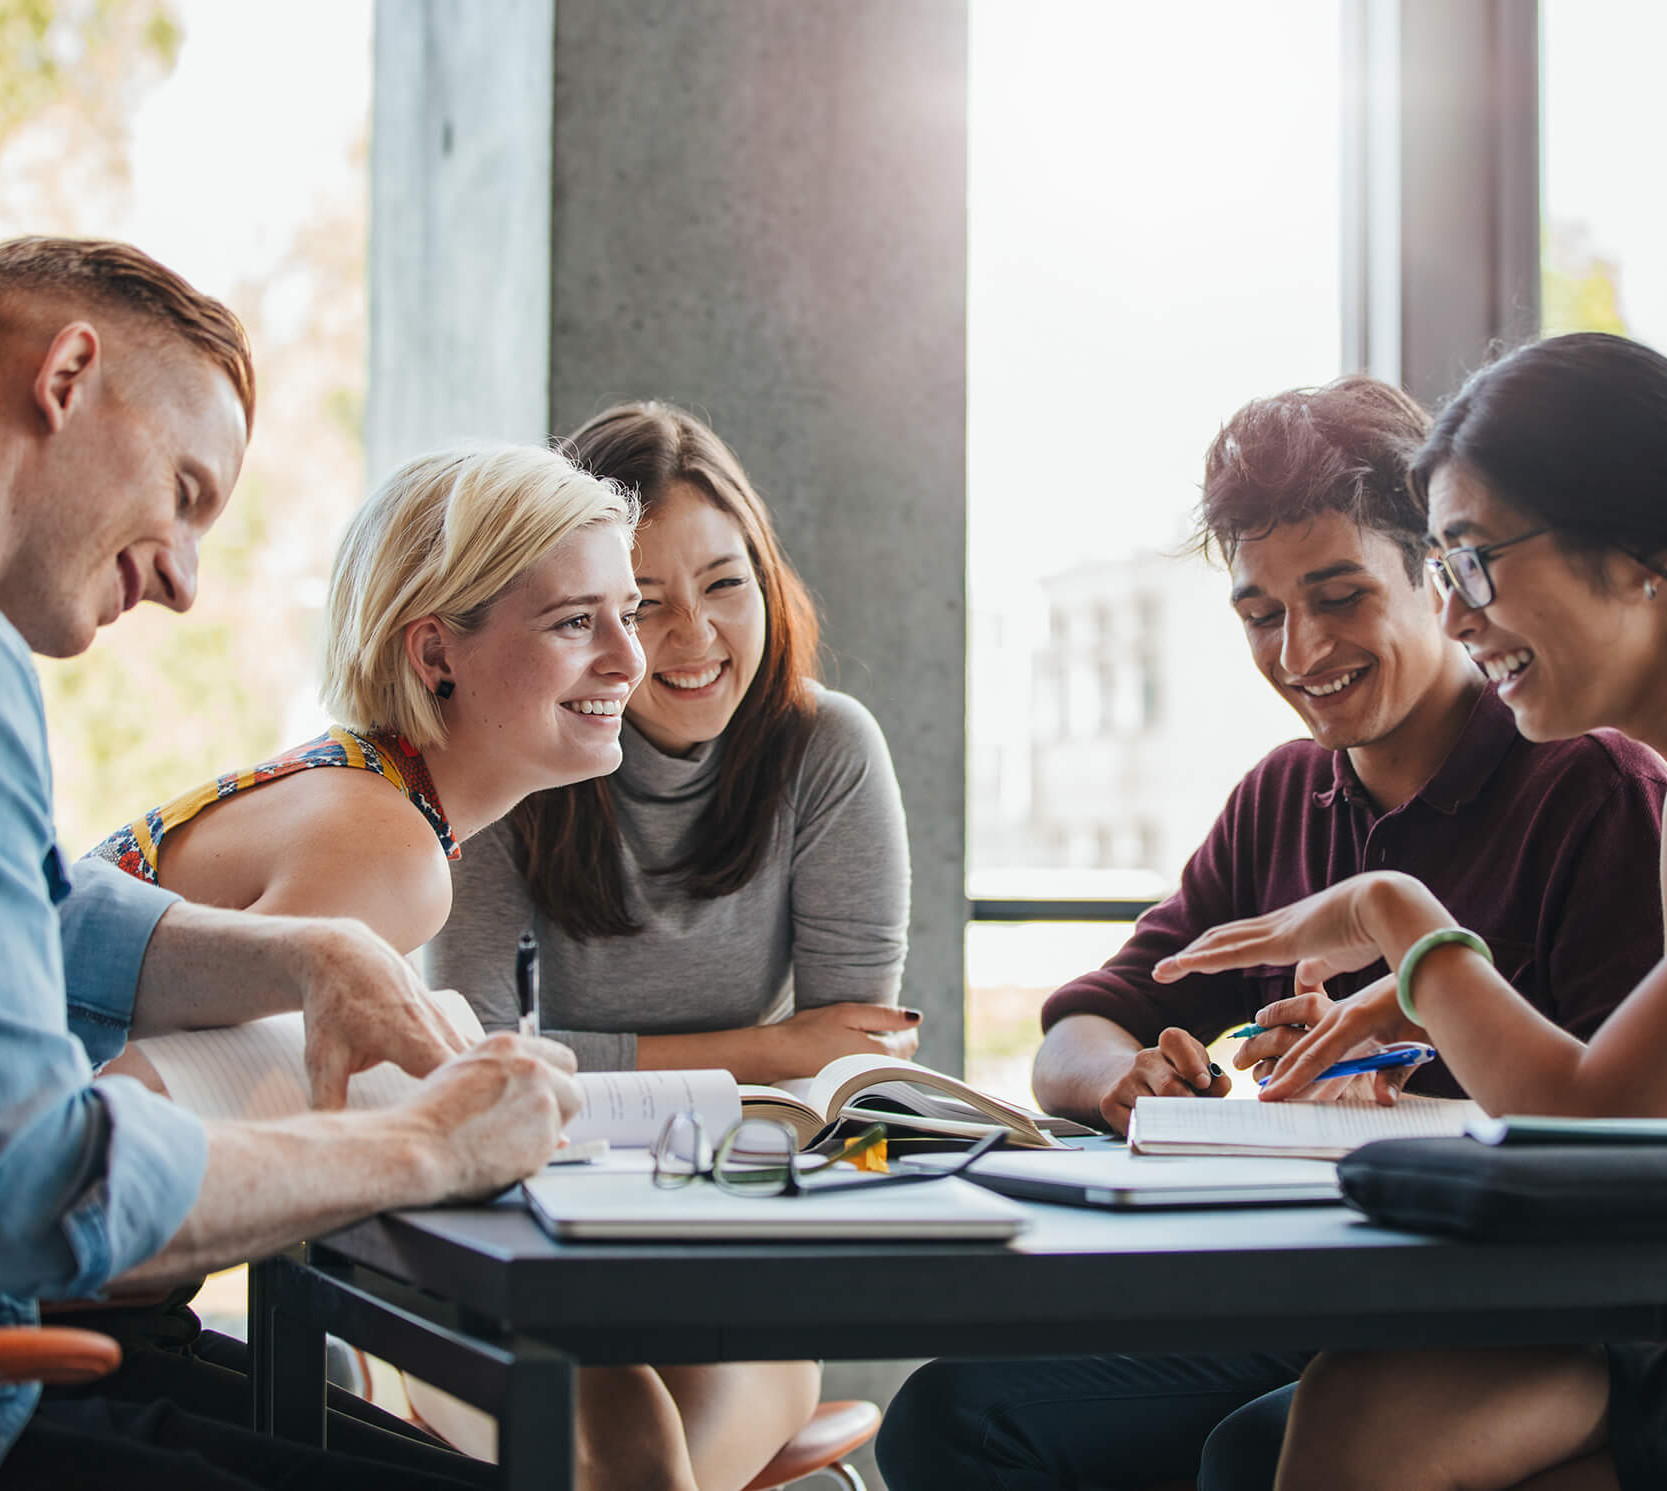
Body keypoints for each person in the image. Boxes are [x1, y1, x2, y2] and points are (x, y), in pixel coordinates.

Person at [877, 375, 1667, 1491]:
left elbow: (1598, 1145)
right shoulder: (1284, 791)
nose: (1298, 650)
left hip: (1546, 1306)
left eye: (1343, 596)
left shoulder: (1598, 781)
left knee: (1264, 1445)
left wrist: (1406, 992)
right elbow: (1084, 1020)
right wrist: (1132, 1077)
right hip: (1341, 1288)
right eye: (1258, 614)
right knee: (955, 1413)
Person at [92, 435, 821, 1489]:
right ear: (435, 656)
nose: (631, 657)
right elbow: (163, 1122)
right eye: (579, 621)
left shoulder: (362, 791)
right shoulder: (386, 850)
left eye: (628, 610)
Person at [0, 235, 581, 1490]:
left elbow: (44, 906)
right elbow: (43, 1186)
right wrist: (425, 1143)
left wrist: (308, 952)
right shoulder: (385, 837)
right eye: (186, 492)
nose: (183, 582)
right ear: (67, 377)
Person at [1156, 330, 1667, 1491]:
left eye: (1474, 561)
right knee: (1325, 1415)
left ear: (1641, 547)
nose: (1455, 613)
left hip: (1626, 1309)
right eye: (1440, 567)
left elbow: (1595, 1134)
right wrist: (1421, 995)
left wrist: (1399, 917)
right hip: (1611, 1296)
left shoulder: (1613, 787)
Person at [431, 400, 918, 1082]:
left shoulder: (827, 747)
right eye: (644, 604)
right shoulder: (512, 747)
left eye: (724, 583)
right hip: (565, 1148)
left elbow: (848, 1051)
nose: (694, 635)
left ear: (767, 582)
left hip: (768, 1146)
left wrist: (795, 1054)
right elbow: (471, 1050)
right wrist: (770, 1047)